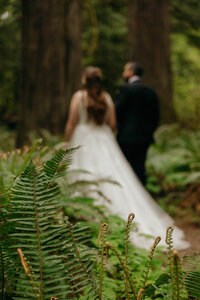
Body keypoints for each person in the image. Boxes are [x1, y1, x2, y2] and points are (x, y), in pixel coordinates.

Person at [64, 66, 189, 250]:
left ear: (85, 79)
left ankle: (82, 219)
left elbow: (72, 122)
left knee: (84, 175)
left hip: (82, 139)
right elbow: (113, 124)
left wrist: (66, 143)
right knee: (116, 179)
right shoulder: (106, 97)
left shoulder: (78, 96)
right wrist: (104, 134)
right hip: (104, 140)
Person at [116, 62, 159, 185]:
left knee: (122, 167)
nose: (123, 73)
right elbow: (155, 116)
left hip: (126, 137)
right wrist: (149, 131)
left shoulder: (125, 89)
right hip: (144, 137)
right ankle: (142, 197)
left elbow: (117, 111)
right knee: (140, 168)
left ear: (131, 72)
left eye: (125, 71)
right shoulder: (150, 91)